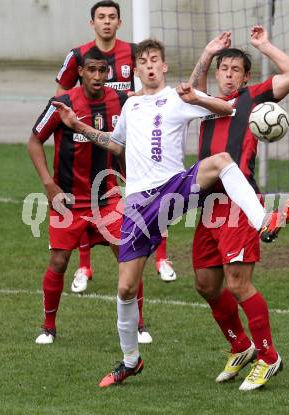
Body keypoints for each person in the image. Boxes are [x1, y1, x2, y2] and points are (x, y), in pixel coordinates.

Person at [52, 38, 277, 388]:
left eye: (156, 60)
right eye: (144, 61)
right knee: (125, 288)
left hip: (173, 187)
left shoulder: (177, 97)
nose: (151, 65)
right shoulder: (130, 106)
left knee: (221, 162)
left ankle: (264, 219)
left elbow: (226, 109)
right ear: (137, 70)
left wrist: (199, 90)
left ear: (165, 66)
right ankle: (130, 361)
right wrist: (78, 126)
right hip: (139, 204)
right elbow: (116, 144)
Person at [188, 27, 289, 390]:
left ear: (246, 76)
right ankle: (240, 346)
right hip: (209, 205)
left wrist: (263, 45)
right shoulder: (204, 101)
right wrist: (207, 54)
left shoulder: (252, 98)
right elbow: (190, 89)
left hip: (240, 204)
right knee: (206, 284)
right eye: (223, 69)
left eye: (235, 69)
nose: (228, 75)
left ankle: (269, 357)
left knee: (239, 284)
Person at [56, 0, 177, 297]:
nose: (107, 22)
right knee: (89, 193)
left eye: (112, 17)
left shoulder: (134, 52)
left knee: (151, 192)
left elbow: (151, 84)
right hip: (94, 138)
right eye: (101, 17)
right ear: (92, 23)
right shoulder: (77, 55)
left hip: (129, 137)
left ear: (119, 22)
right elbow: (62, 94)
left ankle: (161, 257)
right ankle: (84, 266)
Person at [28, 46, 131, 345]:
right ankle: (48, 327)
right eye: (92, 70)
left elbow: (124, 146)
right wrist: (49, 185)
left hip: (109, 198)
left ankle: (137, 327)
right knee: (59, 262)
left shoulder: (121, 102)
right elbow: (34, 141)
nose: (97, 76)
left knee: (128, 258)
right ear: (81, 72)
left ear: (108, 73)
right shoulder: (61, 104)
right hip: (69, 201)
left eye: (103, 71)